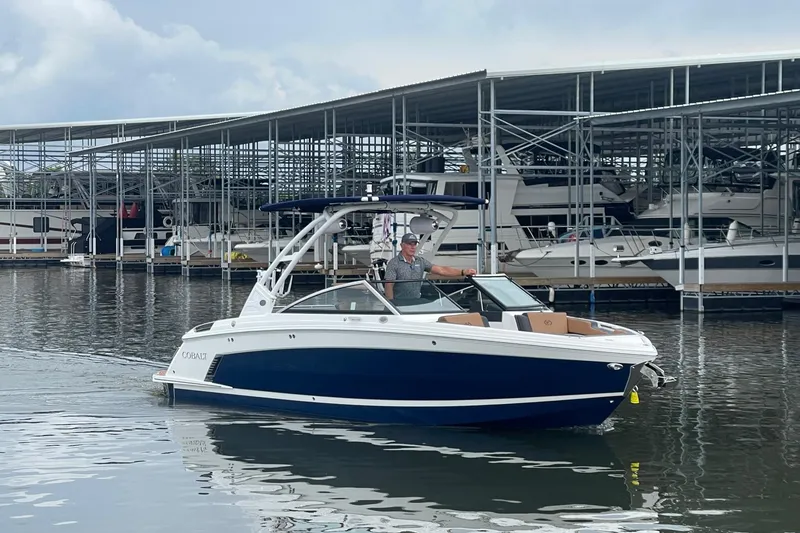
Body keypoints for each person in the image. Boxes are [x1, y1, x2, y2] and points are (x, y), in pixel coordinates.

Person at [383, 233, 477, 300]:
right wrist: (392, 304)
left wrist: (463, 272)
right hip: (399, 304)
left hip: (415, 302)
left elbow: (441, 270)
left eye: (414, 244)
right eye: (409, 244)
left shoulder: (420, 261)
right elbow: (388, 285)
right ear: (402, 245)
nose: (413, 247)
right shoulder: (394, 263)